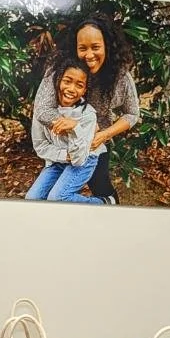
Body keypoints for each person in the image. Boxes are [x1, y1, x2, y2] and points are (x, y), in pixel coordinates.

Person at [32, 13, 139, 204]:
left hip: (95, 145)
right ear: (75, 48)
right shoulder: (60, 69)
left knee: (100, 188)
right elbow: (42, 110)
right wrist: (77, 128)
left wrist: (103, 135)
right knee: (50, 196)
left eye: (96, 47)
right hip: (61, 146)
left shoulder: (120, 77)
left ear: (107, 45)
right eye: (83, 48)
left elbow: (132, 113)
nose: (89, 55)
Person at [25, 57, 105, 203]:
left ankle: (102, 204)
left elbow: (80, 159)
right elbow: (40, 146)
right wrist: (63, 155)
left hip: (85, 159)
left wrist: (75, 128)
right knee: (32, 199)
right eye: (67, 81)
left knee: (58, 197)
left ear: (84, 90)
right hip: (58, 160)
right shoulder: (45, 111)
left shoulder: (88, 115)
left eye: (79, 85)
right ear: (58, 81)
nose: (71, 89)